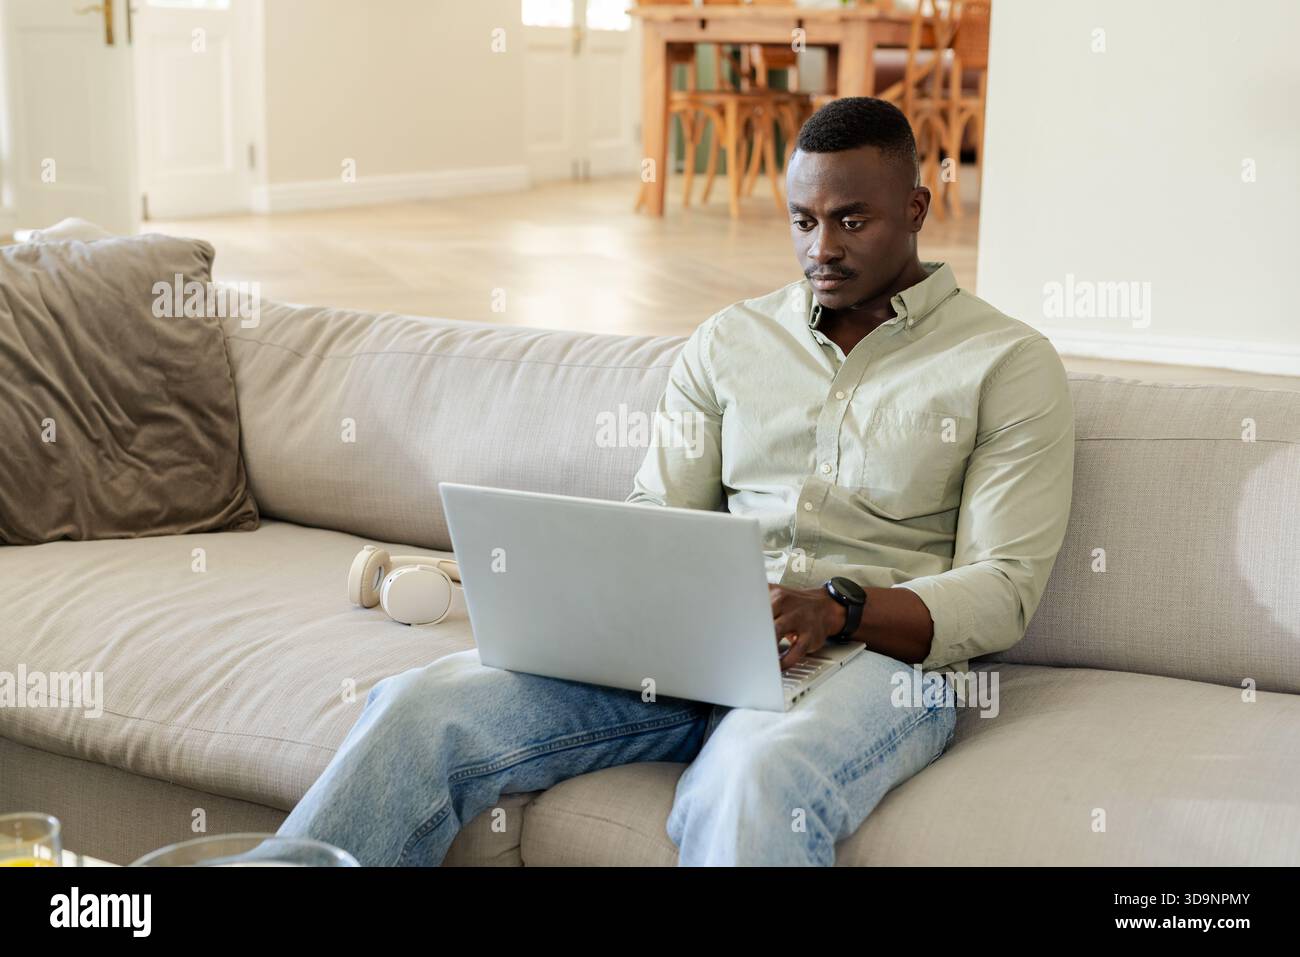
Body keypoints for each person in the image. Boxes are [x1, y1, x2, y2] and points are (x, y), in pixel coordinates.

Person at [275, 97, 1075, 866]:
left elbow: (1004, 589)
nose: (820, 248)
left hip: (875, 667)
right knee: (419, 707)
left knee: (753, 779)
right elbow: (659, 516)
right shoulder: (730, 341)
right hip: (689, 651)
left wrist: (836, 609)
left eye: (850, 220)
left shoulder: (1005, 362)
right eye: (802, 220)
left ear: (917, 208)